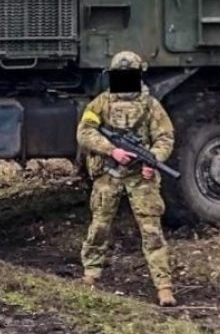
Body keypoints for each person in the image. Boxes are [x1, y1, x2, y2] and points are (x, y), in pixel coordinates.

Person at [77, 50, 176, 306]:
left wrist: (152, 160)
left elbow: (165, 137)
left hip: (139, 176)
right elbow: (85, 131)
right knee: (100, 226)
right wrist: (112, 150)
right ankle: (91, 275)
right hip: (109, 173)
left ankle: (163, 286)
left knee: (152, 231)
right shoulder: (101, 103)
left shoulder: (151, 106)